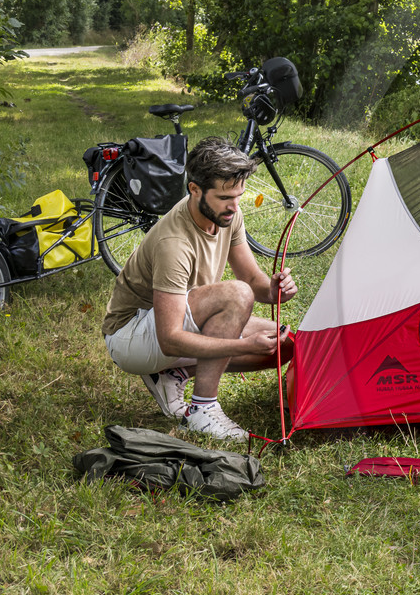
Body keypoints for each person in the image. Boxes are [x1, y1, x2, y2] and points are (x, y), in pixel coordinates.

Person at [100, 136, 297, 442]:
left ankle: (171, 375)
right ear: (194, 189)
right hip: (131, 335)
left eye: (239, 195)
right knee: (235, 295)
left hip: (170, 324)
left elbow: (254, 282)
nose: (233, 206)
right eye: (224, 197)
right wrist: (244, 346)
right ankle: (202, 411)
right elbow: (170, 339)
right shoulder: (174, 243)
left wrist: (275, 289)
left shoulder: (227, 214)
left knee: (283, 343)